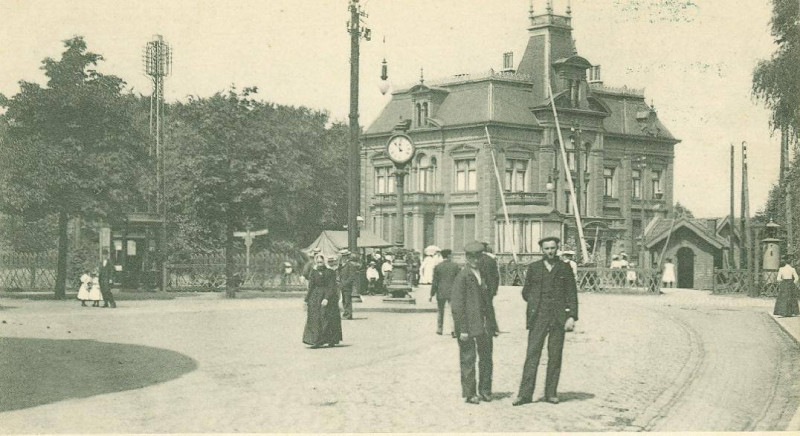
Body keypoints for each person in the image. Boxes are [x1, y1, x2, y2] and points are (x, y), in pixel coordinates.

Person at [513, 236, 578, 406]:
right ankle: (525, 394)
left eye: (553, 248)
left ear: (557, 249)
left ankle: (551, 393)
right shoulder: (534, 268)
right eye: (547, 248)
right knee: (532, 354)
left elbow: (572, 293)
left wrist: (571, 316)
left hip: (558, 318)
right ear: (542, 250)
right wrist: (536, 304)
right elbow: (526, 292)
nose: (550, 251)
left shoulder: (565, 268)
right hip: (538, 317)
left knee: (555, 355)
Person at [451, 241, 496, 404]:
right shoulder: (462, 276)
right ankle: (470, 393)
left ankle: (485, 390)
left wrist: (493, 325)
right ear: (466, 258)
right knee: (468, 359)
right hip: (468, 326)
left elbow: (488, 302)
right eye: (472, 257)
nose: (475, 260)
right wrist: (462, 329)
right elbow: (457, 306)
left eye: (478, 257)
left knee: (486, 358)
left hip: (484, 324)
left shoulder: (483, 274)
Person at [302, 254, 343, 348]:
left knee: (327, 317)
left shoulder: (330, 272)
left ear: (324, 262)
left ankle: (330, 339)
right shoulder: (313, 272)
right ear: (316, 262)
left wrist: (326, 298)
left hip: (327, 296)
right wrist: (306, 300)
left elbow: (332, 287)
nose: (320, 264)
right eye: (318, 262)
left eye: (321, 262)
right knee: (314, 317)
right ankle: (315, 340)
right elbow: (311, 287)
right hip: (315, 297)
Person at [429, 249, 460, 336]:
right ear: (449, 256)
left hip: (441, 292)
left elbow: (435, 282)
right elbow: (458, 280)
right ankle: (454, 330)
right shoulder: (455, 266)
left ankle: (439, 329)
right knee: (452, 312)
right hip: (452, 292)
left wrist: (431, 294)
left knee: (440, 311)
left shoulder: (438, 267)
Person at [477, 242, 500, 335]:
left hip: (481, 287)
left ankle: (483, 327)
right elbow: (496, 276)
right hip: (490, 288)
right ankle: (493, 328)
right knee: (489, 307)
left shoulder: (477, 260)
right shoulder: (491, 260)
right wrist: (495, 289)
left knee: (480, 308)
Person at [337, 249, 360, 320]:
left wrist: (345, 283)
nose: (343, 258)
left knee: (347, 301)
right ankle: (346, 313)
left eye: (344, 256)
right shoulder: (342, 265)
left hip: (347, 286)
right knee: (344, 300)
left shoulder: (350, 265)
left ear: (347, 257)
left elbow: (352, 276)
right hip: (342, 285)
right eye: (342, 256)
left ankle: (348, 314)